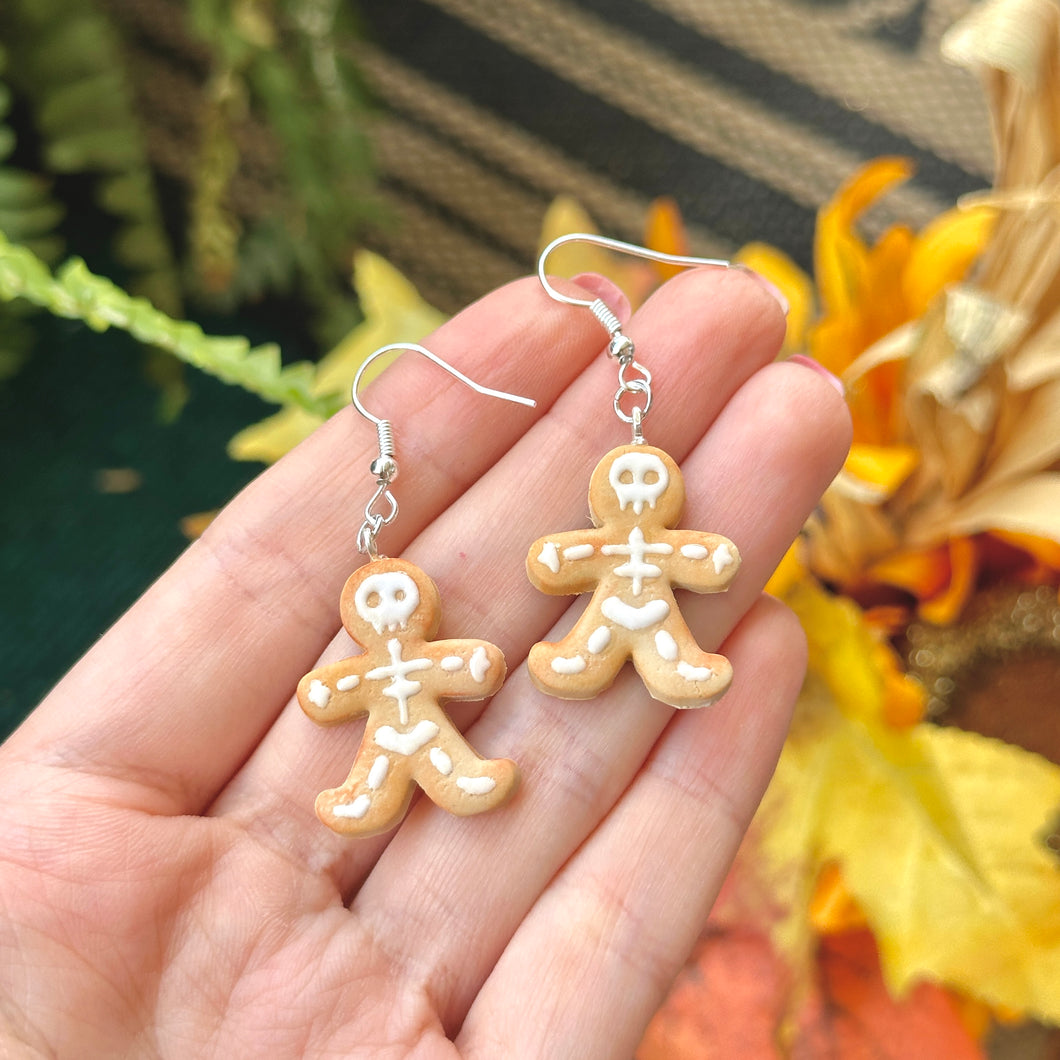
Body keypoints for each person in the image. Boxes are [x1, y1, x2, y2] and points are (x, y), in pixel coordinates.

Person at [0, 267, 850, 1057]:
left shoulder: (630, 522)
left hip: (632, 609)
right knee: (413, 749)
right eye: (381, 602)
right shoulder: (381, 645)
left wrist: (495, 642)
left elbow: (660, 571)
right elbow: (356, 683)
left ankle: (579, 693)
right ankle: (466, 741)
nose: (393, 605)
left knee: (632, 650)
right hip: (412, 707)